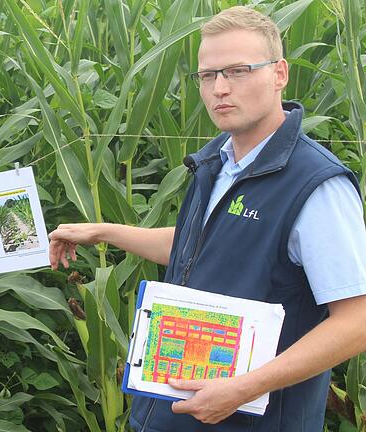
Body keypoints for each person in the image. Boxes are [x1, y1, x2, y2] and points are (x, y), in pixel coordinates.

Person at [48, 6, 366, 432]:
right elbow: (202, 244)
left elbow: (356, 321)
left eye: (237, 71)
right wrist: (104, 232)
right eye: (207, 75)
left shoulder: (315, 185)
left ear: (279, 74)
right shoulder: (218, 161)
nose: (219, 88)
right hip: (175, 410)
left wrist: (244, 388)